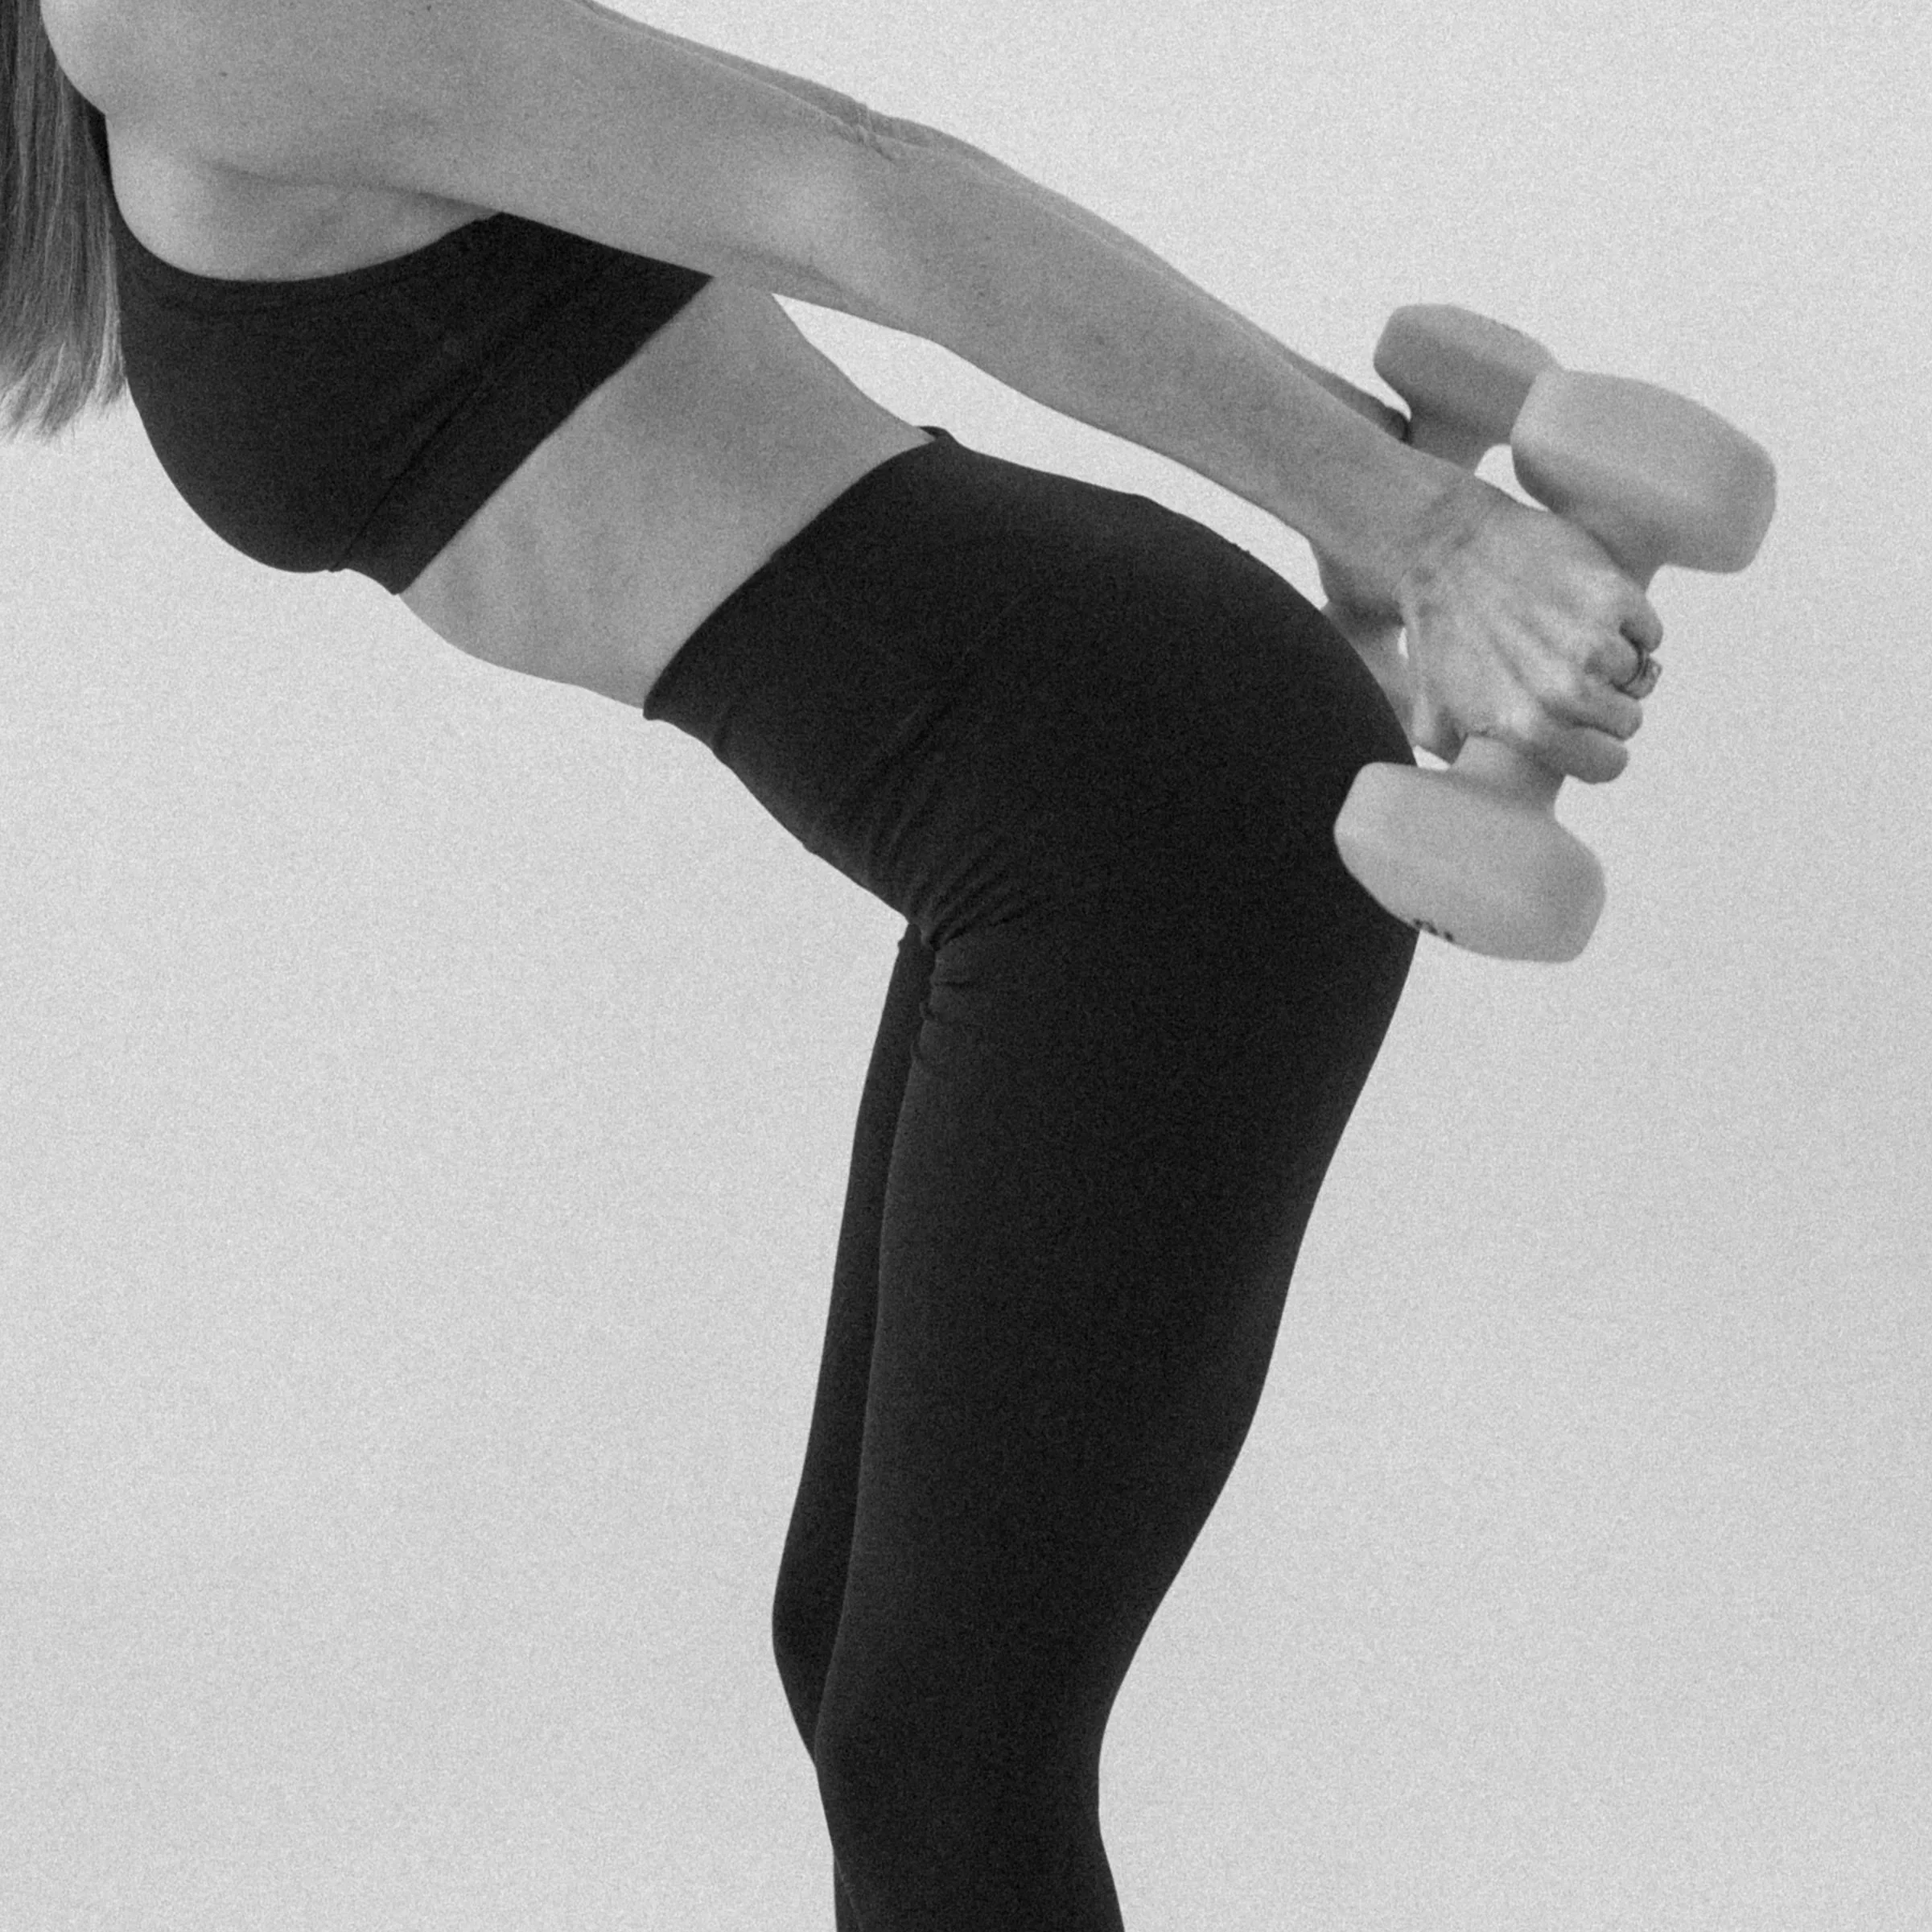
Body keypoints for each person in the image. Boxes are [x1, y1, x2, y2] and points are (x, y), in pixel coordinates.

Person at [4, 2, 1663, 1925]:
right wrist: (1371, 488)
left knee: (948, 1750)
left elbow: (845, 183)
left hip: (1145, 818)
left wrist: (1421, 517)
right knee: (865, 1674)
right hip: (1060, 818)